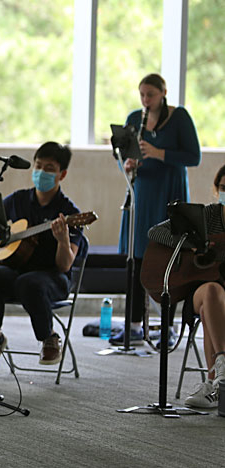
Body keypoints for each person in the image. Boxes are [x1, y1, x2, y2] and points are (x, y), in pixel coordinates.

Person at [0, 142, 84, 379]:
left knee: (31, 282)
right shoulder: (17, 201)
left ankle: (49, 337)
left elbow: (65, 265)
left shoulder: (69, 213)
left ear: (62, 174)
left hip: (52, 279)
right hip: (15, 271)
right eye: (38, 166)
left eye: (49, 168)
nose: (41, 172)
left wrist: (63, 240)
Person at [114, 73, 201, 346]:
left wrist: (158, 152)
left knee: (168, 259)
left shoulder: (180, 118)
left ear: (163, 93)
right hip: (141, 195)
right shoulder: (133, 119)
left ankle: (167, 327)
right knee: (137, 258)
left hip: (169, 193)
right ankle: (134, 326)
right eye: (142, 94)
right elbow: (121, 154)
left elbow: (193, 157)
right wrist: (125, 165)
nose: (145, 100)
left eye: (150, 94)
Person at [147, 164, 225, 408]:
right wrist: (191, 244)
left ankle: (214, 383)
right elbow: (155, 232)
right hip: (201, 290)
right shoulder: (208, 216)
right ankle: (222, 364)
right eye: (224, 187)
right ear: (216, 189)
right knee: (212, 292)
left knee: (212, 308)